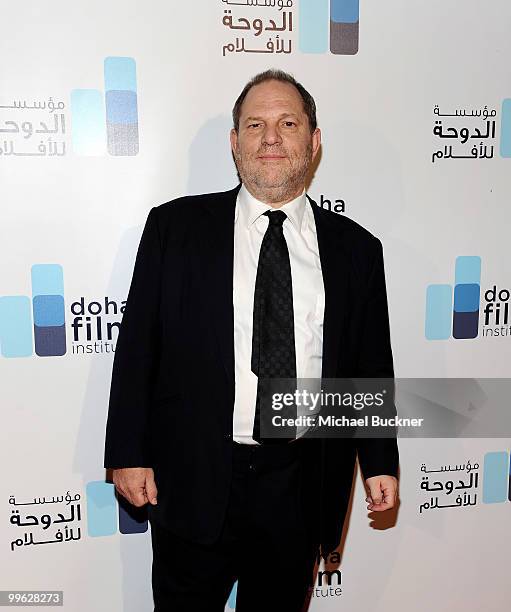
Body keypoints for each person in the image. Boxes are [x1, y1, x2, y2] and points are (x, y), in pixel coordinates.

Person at [104, 68, 399, 611]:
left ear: (313, 142)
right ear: (234, 143)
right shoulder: (176, 228)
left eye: (288, 123)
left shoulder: (357, 249)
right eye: (255, 123)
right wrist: (127, 451)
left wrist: (380, 461)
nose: (270, 137)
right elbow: (138, 346)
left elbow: (369, 364)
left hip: (299, 485)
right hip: (193, 476)